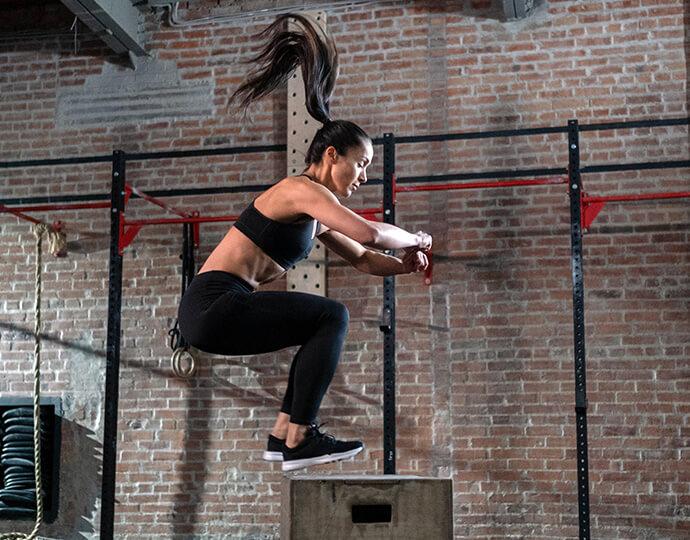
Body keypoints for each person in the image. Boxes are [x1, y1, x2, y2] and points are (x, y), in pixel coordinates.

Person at [177, 13, 432, 472]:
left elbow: (364, 258)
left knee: (318, 325)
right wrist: (416, 237)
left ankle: (283, 436)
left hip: (217, 312)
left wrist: (403, 265)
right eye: (361, 164)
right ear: (331, 155)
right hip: (213, 304)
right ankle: (300, 436)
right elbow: (371, 233)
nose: (364, 176)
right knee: (331, 316)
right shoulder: (298, 190)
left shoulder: (315, 215)